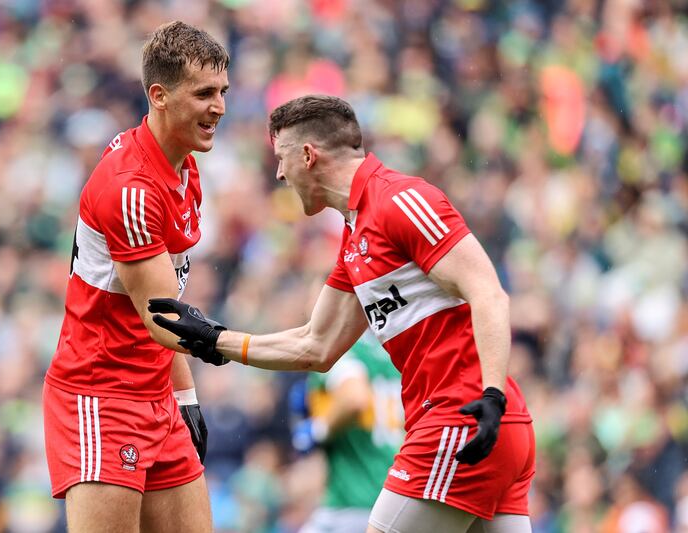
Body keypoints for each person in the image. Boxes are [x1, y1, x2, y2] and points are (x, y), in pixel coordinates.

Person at [149, 95, 536, 533]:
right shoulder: (356, 236)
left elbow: (489, 293)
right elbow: (316, 345)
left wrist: (491, 395)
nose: (279, 173)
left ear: (308, 155)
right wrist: (215, 340)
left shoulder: (399, 200)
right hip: (484, 423)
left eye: (281, 158)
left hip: (460, 416)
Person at [42, 21, 229, 533]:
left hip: (155, 393)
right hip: (101, 396)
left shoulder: (184, 167)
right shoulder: (131, 187)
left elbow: (165, 304)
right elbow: (167, 321)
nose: (219, 107)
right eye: (204, 94)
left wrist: (185, 398)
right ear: (159, 95)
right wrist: (264, 348)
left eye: (223, 92)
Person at [290, 332, 404, 533]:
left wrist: (319, 429)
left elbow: (355, 398)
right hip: (395, 495)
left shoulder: (340, 351)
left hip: (353, 499)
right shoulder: (395, 354)